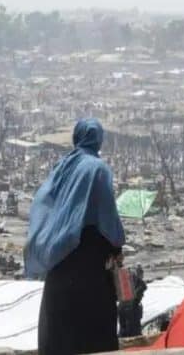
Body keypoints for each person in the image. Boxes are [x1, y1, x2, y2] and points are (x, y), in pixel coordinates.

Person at [25, 119, 125, 355]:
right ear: (99, 140)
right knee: (93, 334)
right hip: (89, 267)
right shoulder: (98, 169)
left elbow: (44, 204)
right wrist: (117, 244)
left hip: (60, 262)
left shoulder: (63, 167)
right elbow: (108, 218)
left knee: (59, 333)